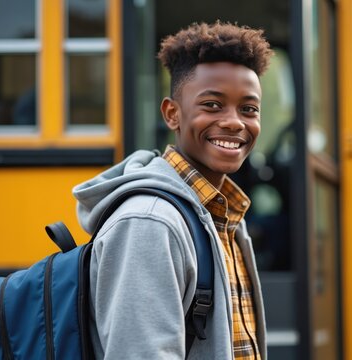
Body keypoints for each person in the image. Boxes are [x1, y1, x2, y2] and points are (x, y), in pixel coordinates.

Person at [73, 21, 273, 359]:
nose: (235, 122)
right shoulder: (151, 223)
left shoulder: (222, 217)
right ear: (172, 114)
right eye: (212, 104)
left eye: (248, 109)